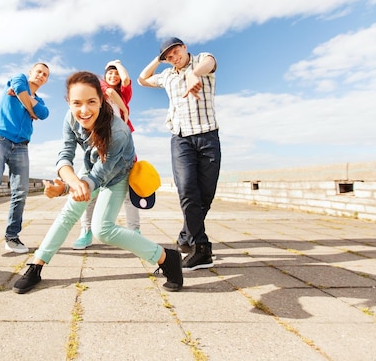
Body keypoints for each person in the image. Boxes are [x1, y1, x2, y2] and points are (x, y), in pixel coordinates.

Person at [12, 71, 183, 294]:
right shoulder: (71, 117)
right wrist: (68, 183)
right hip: (92, 167)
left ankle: (166, 257)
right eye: (77, 103)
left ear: (102, 101)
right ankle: (36, 266)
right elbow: (65, 154)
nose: (84, 110)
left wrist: (69, 187)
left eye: (91, 102)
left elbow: (100, 176)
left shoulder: (118, 131)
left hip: (117, 174)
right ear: (69, 102)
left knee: (103, 230)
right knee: (68, 214)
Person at [137, 37, 221, 271]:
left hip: (208, 136)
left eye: (176, 52)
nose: (174, 57)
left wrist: (195, 74)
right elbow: (142, 79)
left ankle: (186, 237)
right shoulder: (167, 76)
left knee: (205, 196)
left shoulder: (201, 60)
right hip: (181, 138)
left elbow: (211, 61)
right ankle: (201, 249)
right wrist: (158, 59)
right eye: (169, 56)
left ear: (184, 48)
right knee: (186, 190)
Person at [0, 63, 50, 254]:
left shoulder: (39, 100)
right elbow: (19, 89)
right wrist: (31, 109)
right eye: (39, 72)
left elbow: (44, 114)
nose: (41, 76)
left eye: (45, 75)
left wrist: (30, 103)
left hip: (21, 146)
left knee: (21, 191)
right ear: (31, 73)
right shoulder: (18, 78)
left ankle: (12, 236)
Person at [72, 60, 141, 250]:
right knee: (90, 191)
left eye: (115, 74)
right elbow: (109, 92)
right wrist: (125, 109)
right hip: (101, 145)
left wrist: (118, 64)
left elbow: (125, 79)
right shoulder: (100, 88)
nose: (113, 76)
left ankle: (135, 233)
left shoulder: (124, 93)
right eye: (110, 73)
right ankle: (86, 232)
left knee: (129, 194)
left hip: (124, 147)